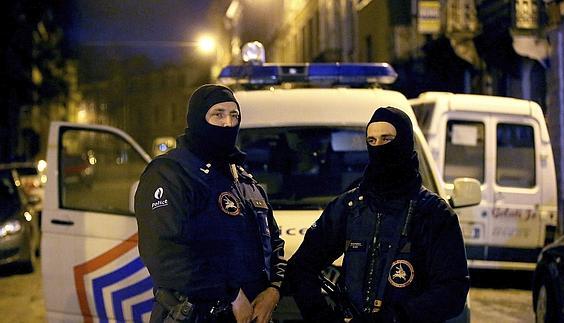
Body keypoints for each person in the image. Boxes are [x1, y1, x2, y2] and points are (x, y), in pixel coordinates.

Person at [286, 106, 469, 323]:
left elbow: (452, 290)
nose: (379, 147)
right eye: (372, 141)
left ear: (403, 142)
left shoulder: (433, 212)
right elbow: (301, 267)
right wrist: (322, 315)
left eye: (386, 138)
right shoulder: (350, 206)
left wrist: (396, 318)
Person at [135, 84, 286, 323]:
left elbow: (274, 242)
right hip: (197, 315)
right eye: (218, 114)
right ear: (197, 119)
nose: (228, 123)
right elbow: (164, 254)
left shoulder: (244, 179)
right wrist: (230, 294)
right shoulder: (170, 173)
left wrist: (274, 290)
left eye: (234, 115)